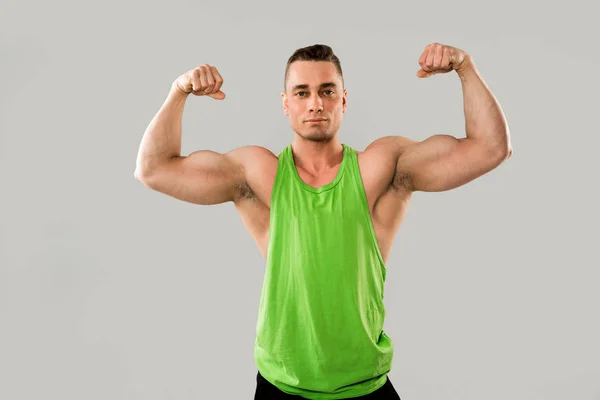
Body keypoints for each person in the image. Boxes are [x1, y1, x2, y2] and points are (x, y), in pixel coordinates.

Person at [134, 42, 512, 399]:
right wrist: (178, 91)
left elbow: (491, 148)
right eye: (301, 92)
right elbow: (153, 170)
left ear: (344, 100)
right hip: (281, 385)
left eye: (327, 91)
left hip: (364, 384)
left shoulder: (379, 168)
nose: (315, 103)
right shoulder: (258, 174)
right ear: (286, 104)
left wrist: (465, 66)